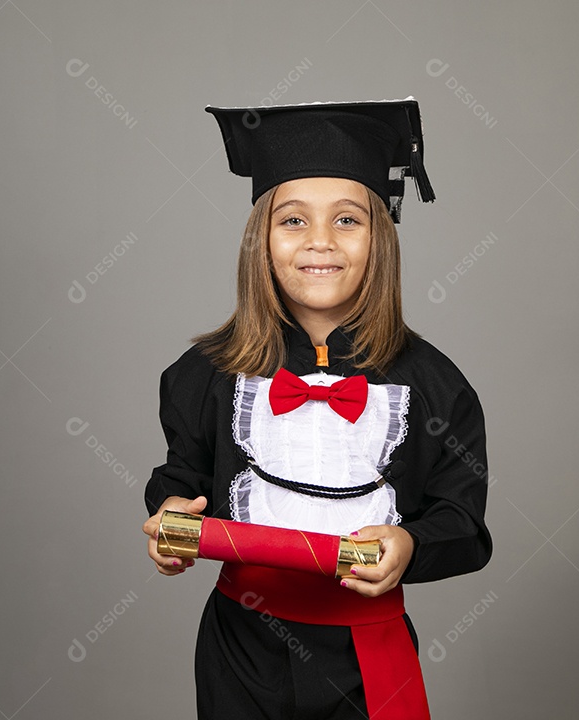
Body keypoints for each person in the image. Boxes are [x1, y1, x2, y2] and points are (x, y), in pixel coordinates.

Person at [141, 98, 492, 720]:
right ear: (261, 239)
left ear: (381, 235)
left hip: (364, 652)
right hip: (240, 648)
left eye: (348, 220)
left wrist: (411, 545)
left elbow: (463, 524)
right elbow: (184, 474)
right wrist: (169, 513)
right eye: (294, 221)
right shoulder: (204, 374)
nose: (321, 242)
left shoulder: (436, 385)